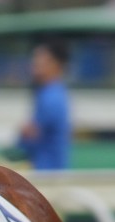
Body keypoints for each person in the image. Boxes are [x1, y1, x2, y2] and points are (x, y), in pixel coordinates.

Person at [17, 40, 71, 170]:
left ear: (56, 64)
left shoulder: (51, 97)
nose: (34, 63)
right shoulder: (51, 92)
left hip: (46, 172)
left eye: (40, 59)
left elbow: (31, 134)